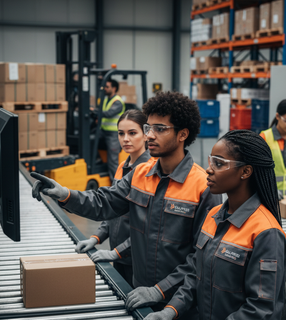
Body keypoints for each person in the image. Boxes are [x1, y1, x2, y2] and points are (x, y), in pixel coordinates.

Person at [31, 91, 222, 319]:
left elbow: (200, 258)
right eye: (148, 128)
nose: (149, 135)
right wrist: (64, 194)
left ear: (183, 134)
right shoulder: (140, 174)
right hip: (138, 293)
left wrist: (160, 291)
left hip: (180, 305)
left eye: (159, 129)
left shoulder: (203, 186)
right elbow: (104, 202)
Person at [145, 130, 286, 320]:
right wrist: (171, 310)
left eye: (219, 164)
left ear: (245, 171)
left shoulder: (266, 232)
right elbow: (197, 275)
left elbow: (260, 309)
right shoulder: (214, 215)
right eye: (211, 161)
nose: (209, 169)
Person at [75, 109, 150, 288]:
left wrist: (117, 252)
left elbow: (148, 227)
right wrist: (96, 238)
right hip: (118, 256)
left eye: (132, 133)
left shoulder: (149, 172)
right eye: (121, 133)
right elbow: (112, 210)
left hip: (137, 260)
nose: (125, 139)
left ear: (146, 135)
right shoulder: (122, 168)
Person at [99, 79, 126, 181]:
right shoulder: (106, 99)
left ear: (114, 88)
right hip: (103, 131)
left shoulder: (117, 102)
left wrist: (95, 112)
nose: (104, 89)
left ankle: (116, 185)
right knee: (88, 140)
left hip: (113, 134)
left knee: (113, 161)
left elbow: (108, 113)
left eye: (107, 87)